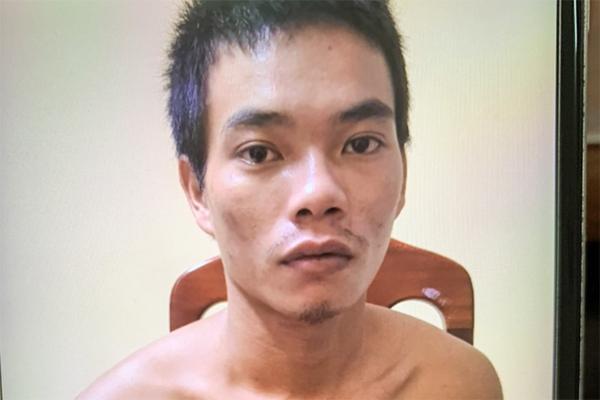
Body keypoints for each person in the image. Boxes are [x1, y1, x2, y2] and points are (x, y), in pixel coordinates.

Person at [78, 1, 502, 398]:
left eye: (360, 144)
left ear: (403, 175)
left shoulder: (460, 384)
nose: (319, 193)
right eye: (259, 153)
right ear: (197, 191)